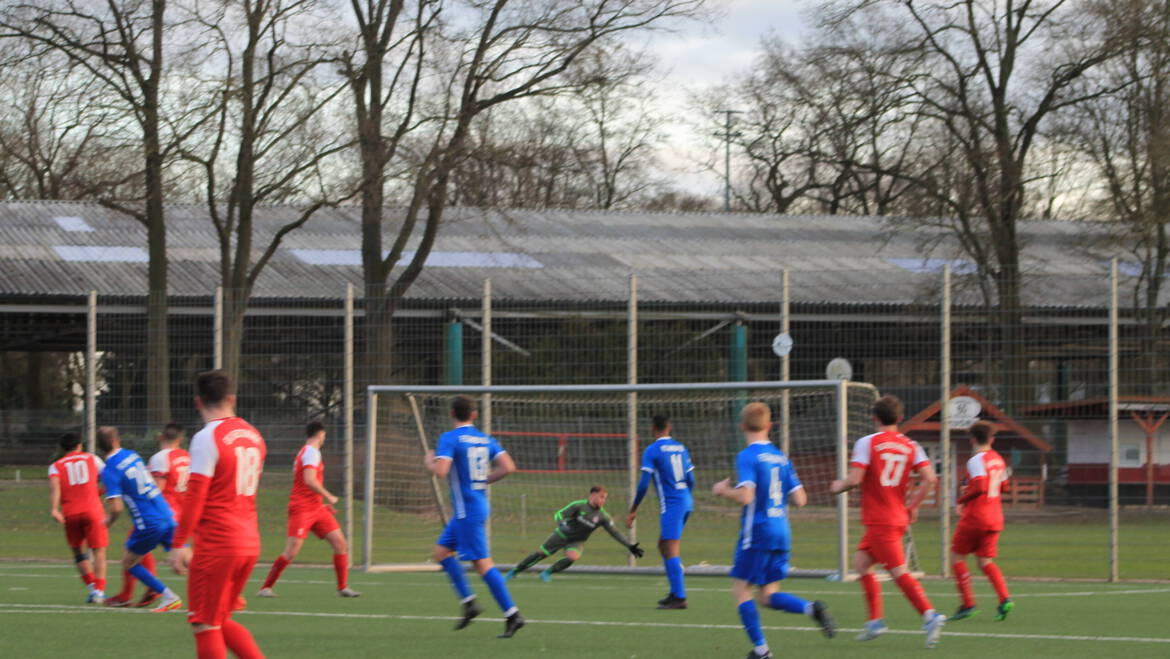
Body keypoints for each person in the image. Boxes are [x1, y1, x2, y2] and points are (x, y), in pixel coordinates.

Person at [713, 403, 835, 659]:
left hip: (758, 532)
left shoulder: (747, 456)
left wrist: (723, 490)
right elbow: (801, 499)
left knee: (741, 590)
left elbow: (747, 496)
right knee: (767, 596)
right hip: (782, 531)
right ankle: (811, 609)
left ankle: (762, 652)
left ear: (742, 426)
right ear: (769, 426)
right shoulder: (781, 457)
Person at [830, 395, 947, 648]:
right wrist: (913, 506)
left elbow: (855, 479)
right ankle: (874, 622)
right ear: (900, 418)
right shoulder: (911, 445)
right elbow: (930, 478)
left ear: (874, 418)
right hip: (894, 517)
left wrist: (839, 485)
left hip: (881, 520)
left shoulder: (867, 443)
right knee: (861, 563)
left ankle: (930, 615)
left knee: (898, 573)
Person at [169, 370, 267, 659]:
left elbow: (195, 497)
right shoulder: (254, 435)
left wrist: (178, 544)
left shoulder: (206, 438)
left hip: (219, 543)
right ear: (231, 398)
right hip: (248, 539)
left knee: (205, 624)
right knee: (220, 620)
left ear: (197, 402)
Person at [424, 394, 524, 639]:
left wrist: (430, 461)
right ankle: (470, 603)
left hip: (467, 511)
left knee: (482, 564)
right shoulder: (485, 439)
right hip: (473, 507)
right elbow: (509, 466)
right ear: (474, 414)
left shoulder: (450, 438)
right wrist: (485, 479)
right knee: (440, 552)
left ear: (451, 414)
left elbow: (441, 471)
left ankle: (513, 614)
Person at [258, 420, 359, 598]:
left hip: (316, 508)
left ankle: (342, 587)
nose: (324, 438)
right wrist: (329, 495)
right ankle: (265, 588)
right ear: (320, 434)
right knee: (292, 551)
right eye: (324, 435)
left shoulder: (308, 452)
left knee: (340, 544)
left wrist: (321, 504)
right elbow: (309, 480)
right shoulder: (311, 453)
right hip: (302, 508)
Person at [97, 426, 182, 613]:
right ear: (117, 440)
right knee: (184, 556)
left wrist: (108, 521)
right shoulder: (132, 455)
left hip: (148, 521)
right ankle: (224, 589)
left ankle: (168, 596)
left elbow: (117, 507)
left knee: (129, 562)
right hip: (165, 511)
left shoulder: (109, 470)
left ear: (99, 447)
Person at [626, 413, 694, 609]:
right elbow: (692, 480)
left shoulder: (652, 450)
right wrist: (685, 497)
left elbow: (643, 485)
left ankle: (680, 597)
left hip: (673, 505)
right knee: (664, 546)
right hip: (686, 501)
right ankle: (675, 592)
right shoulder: (681, 448)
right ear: (669, 427)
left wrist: (633, 509)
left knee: (671, 548)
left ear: (653, 429)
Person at [505, 486, 643, 582]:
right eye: (601, 497)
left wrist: (629, 546)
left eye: (605, 498)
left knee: (572, 557)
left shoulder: (603, 516)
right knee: (540, 554)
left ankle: (547, 572)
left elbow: (615, 533)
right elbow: (559, 514)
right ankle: (515, 571)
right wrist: (561, 524)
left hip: (577, 541)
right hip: (561, 535)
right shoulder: (579, 505)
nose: (603, 500)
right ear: (593, 495)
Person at [949, 420, 1013, 621]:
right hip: (995, 518)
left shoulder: (976, 460)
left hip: (976, 517)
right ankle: (1004, 599)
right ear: (992, 439)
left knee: (956, 558)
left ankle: (968, 604)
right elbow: (1005, 487)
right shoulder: (998, 459)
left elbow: (980, 486)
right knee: (985, 561)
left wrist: (961, 499)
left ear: (972, 439)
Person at [48, 432, 108, 603]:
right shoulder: (92, 458)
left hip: (71, 513)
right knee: (99, 552)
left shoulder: (56, 466)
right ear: (79, 445)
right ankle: (99, 591)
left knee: (78, 551)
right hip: (93, 510)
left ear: (62, 448)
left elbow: (54, 489)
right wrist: (100, 493)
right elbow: (108, 477)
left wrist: (54, 509)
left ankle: (91, 587)